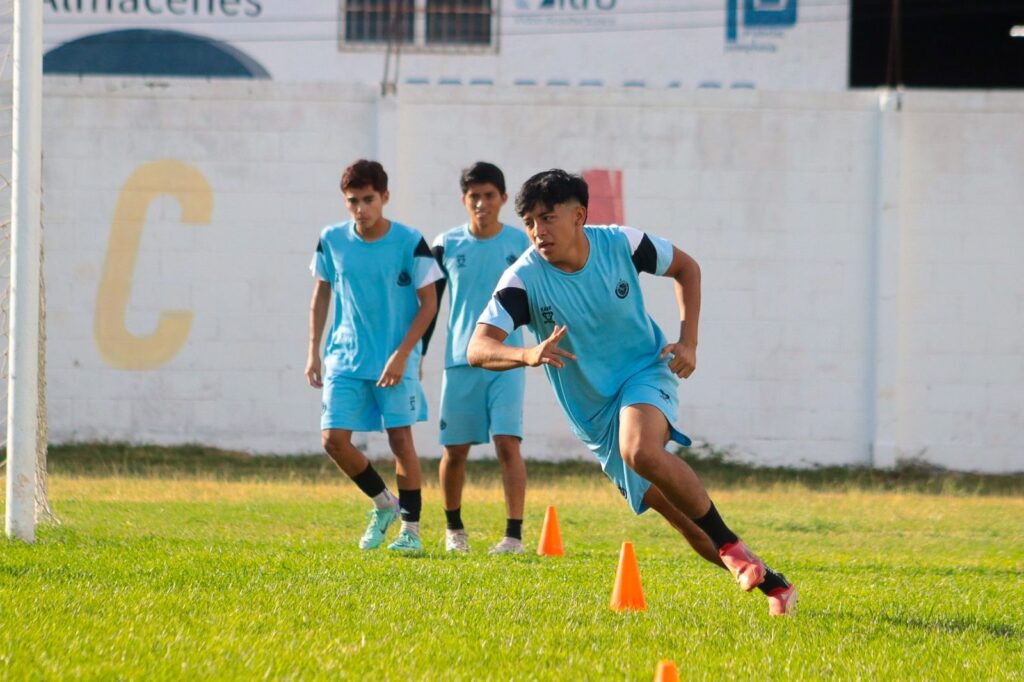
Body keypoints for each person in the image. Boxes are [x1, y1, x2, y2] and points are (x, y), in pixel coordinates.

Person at [467, 169, 797, 615]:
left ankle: (731, 546)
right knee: (687, 523)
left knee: (639, 449)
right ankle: (774, 586)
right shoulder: (523, 278)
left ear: (579, 216)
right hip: (594, 417)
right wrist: (527, 354)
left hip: (645, 371)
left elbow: (687, 268)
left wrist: (689, 341)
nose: (537, 231)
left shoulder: (621, 244)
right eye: (529, 222)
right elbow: (478, 348)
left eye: (547, 218)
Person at [306, 159, 443, 553]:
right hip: (345, 358)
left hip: (394, 360)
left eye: (368, 199)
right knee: (333, 440)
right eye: (353, 201)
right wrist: (313, 351)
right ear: (344, 201)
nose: (361, 208)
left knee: (400, 440)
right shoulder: (331, 239)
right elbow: (321, 295)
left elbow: (429, 304)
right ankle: (384, 504)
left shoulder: (409, 241)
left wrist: (403, 354)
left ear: (385, 197)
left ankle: (411, 532)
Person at [423, 162, 532, 554]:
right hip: (461, 361)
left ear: (503, 198)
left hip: (508, 360)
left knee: (507, 444)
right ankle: (454, 531)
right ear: (463, 200)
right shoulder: (446, 245)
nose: (482, 203)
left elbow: (542, 293)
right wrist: (418, 353)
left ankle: (513, 536)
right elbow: (429, 305)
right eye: (474, 196)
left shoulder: (522, 243)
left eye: (489, 195)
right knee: (454, 450)